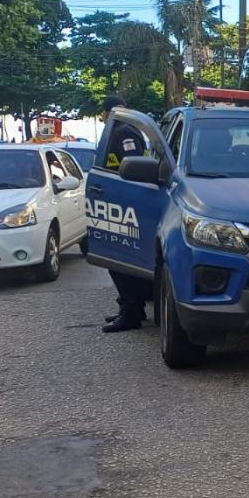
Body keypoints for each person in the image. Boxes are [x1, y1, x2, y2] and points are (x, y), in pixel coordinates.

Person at [100, 95, 153, 333]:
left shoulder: (124, 132)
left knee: (120, 260)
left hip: (125, 203)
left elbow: (135, 166)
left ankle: (131, 312)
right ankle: (131, 308)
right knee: (116, 261)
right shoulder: (117, 131)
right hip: (116, 201)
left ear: (106, 112)